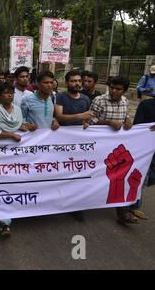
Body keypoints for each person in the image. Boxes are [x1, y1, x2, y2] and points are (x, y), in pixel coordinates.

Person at [0, 82, 37, 236]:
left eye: (11, 93)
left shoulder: (18, 110)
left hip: (16, 156)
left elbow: (19, 125)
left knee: (15, 185)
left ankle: (15, 214)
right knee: (0, 187)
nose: (9, 95)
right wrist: (11, 135)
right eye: (6, 92)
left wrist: (26, 127)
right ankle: (3, 221)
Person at [89, 76, 136, 225]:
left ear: (125, 91)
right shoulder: (99, 100)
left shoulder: (125, 101)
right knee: (95, 176)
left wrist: (127, 121)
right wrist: (108, 122)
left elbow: (125, 117)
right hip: (99, 146)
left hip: (116, 147)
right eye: (112, 88)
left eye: (118, 89)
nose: (114, 91)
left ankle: (123, 212)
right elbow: (90, 120)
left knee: (119, 176)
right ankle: (81, 205)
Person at [54, 71, 95, 222]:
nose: (77, 83)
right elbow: (59, 116)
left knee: (78, 176)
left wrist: (85, 123)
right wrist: (80, 116)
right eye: (73, 81)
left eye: (79, 81)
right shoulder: (61, 97)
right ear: (66, 82)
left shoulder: (84, 99)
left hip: (80, 144)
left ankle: (76, 207)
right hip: (63, 142)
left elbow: (87, 119)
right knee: (63, 174)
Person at [131, 97, 155, 220]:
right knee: (141, 176)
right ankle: (135, 206)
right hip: (146, 148)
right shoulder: (146, 104)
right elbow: (138, 125)